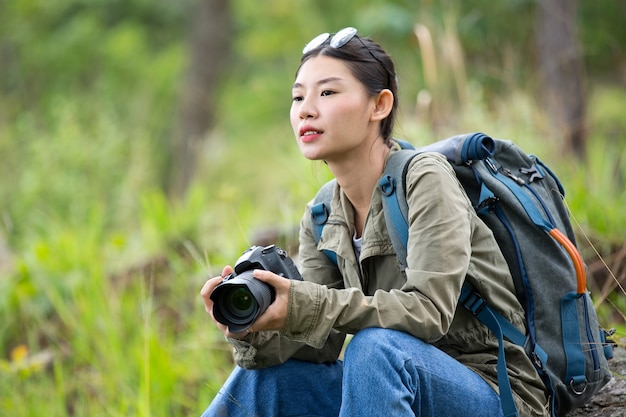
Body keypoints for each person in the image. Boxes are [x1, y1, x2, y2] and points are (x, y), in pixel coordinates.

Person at [200, 27, 549, 417]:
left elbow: (429, 313)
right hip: (395, 384)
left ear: (379, 105)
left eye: (327, 93)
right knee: (263, 380)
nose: (306, 109)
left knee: (373, 348)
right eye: (298, 96)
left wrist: (303, 303)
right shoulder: (321, 214)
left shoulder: (424, 178)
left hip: (493, 390)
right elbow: (322, 344)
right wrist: (253, 330)